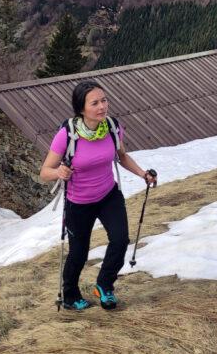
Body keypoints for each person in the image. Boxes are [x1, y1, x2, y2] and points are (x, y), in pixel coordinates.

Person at [39, 80, 157, 310]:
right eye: (95, 103)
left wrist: (143, 174)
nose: (102, 106)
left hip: (108, 195)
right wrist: (58, 172)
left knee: (121, 239)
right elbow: (45, 172)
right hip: (78, 202)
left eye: (104, 100)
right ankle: (71, 295)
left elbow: (122, 156)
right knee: (79, 253)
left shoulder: (112, 127)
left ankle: (104, 285)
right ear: (81, 109)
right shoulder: (67, 135)